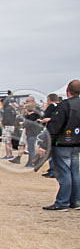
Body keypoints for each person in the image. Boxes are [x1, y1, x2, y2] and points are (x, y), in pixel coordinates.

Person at [39, 80, 80, 211]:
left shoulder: (64, 105)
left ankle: (62, 202)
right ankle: (76, 201)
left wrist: (44, 145)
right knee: (75, 172)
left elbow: (54, 126)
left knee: (64, 173)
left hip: (62, 143)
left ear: (68, 90)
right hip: (76, 143)